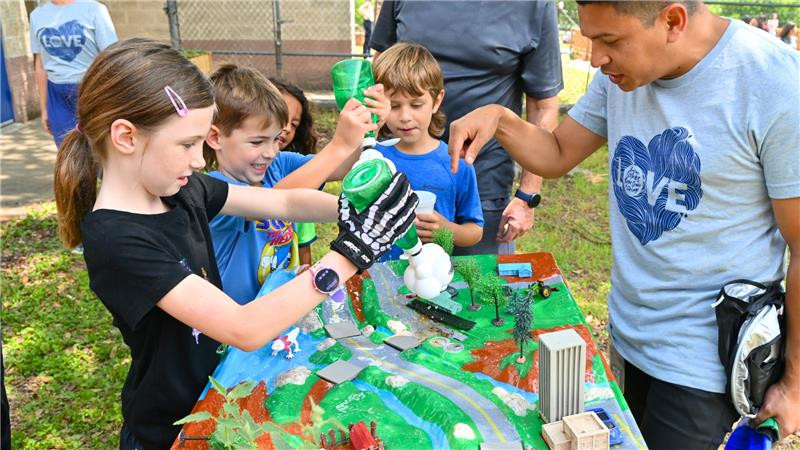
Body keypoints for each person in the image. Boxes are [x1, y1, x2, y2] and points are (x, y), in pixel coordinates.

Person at [448, 1, 799, 448]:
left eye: (610, 41)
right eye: (592, 38)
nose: (595, 58)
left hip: (706, 367)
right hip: (629, 336)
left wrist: (794, 383)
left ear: (673, 21)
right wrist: (499, 119)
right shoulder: (622, 77)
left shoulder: (774, 82)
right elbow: (556, 153)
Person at [52, 38, 417, 448]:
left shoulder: (180, 190)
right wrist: (355, 250)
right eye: (187, 144)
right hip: (171, 428)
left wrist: (349, 211)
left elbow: (282, 199)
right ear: (125, 136)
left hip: (218, 393)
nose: (197, 159)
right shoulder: (117, 240)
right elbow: (244, 328)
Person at [370, 1, 563, 256]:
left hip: (483, 177)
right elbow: (379, 68)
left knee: (476, 289)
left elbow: (544, 105)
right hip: (398, 168)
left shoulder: (534, 5)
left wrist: (528, 196)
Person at [204, 65, 389, 304]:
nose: (270, 152)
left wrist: (371, 127)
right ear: (216, 137)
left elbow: (342, 166)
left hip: (277, 307)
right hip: (235, 323)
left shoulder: (279, 165)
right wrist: (339, 145)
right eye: (257, 141)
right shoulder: (213, 191)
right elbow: (277, 202)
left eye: (275, 139)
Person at [371, 42, 483, 260]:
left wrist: (446, 229)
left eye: (416, 104)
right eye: (394, 105)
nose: (405, 116)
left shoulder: (455, 161)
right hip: (379, 276)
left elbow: (475, 230)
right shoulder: (373, 157)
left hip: (433, 279)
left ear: (436, 100)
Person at [29, 0, 117, 147]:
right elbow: (40, 65)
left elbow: (112, 58)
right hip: (56, 95)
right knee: (67, 151)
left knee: (98, 149)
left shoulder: (94, 10)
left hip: (90, 89)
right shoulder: (37, 16)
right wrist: (44, 108)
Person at [270, 78, 322, 266]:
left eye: (294, 124)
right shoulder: (219, 184)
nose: (287, 128)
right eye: (282, 117)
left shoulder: (286, 163)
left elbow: (304, 242)